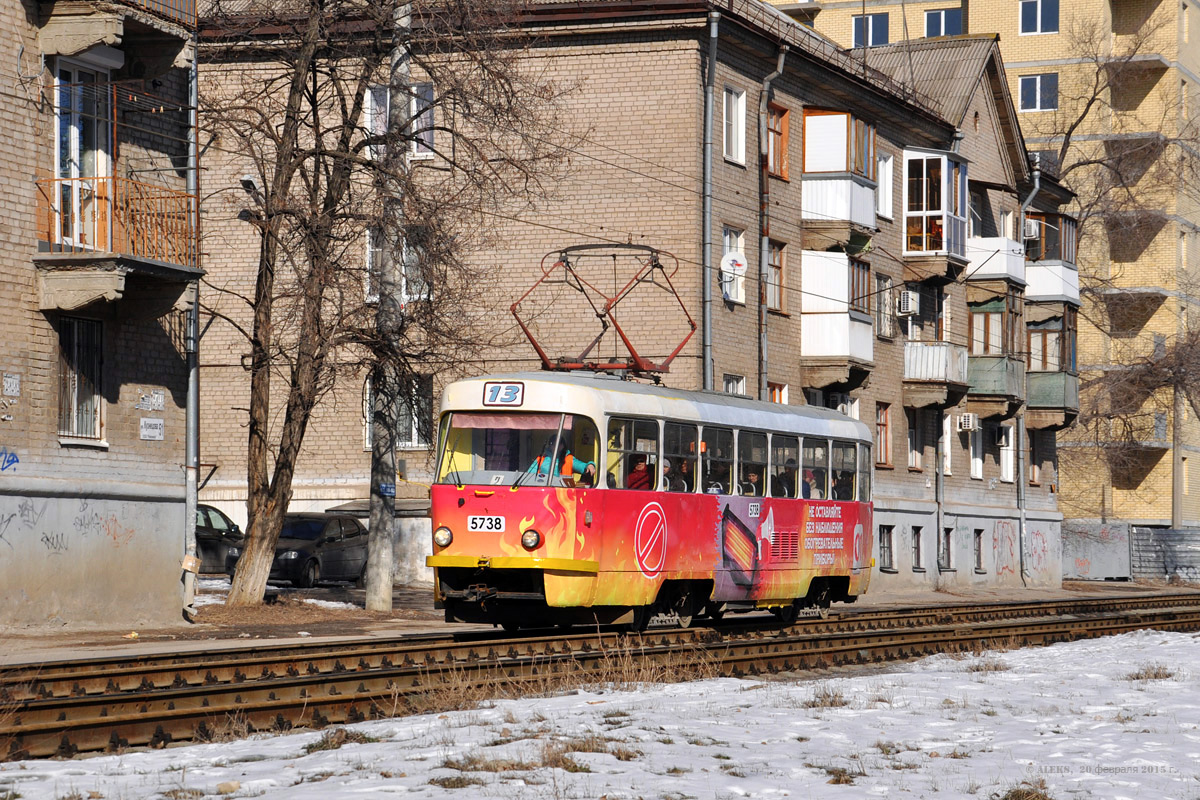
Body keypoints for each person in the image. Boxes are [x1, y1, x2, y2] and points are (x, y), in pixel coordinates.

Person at [528, 438, 597, 486]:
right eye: (553, 443)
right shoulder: (541, 459)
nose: (556, 446)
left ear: (563, 446)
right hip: (544, 492)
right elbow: (529, 476)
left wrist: (590, 465)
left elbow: (582, 466)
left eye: (559, 444)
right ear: (550, 445)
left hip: (564, 495)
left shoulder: (569, 459)